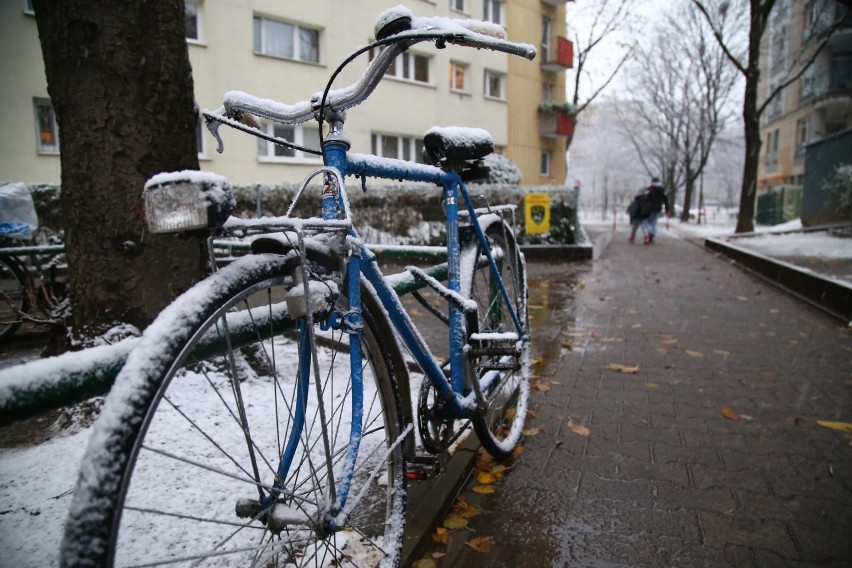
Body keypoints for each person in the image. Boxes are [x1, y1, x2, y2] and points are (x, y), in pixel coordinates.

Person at [641, 177, 670, 244]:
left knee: (646, 222)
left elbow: (645, 198)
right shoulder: (662, 191)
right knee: (653, 223)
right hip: (658, 209)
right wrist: (667, 209)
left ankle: (649, 234)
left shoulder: (650, 189)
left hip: (649, 209)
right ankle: (651, 236)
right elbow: (666, 201)